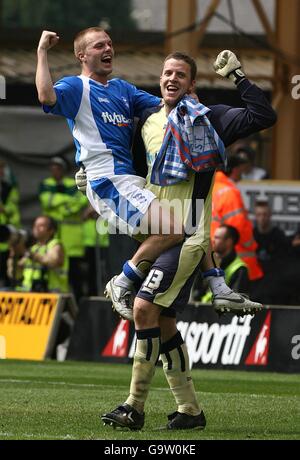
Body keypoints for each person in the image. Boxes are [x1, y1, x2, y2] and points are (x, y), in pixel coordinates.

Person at [100, 50, 276, 431]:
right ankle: (190, 411)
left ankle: (134, 406)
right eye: (167, 73)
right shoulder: (148, 122)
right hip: (156, 234)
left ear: (192, 84)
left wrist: (238, 76)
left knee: (144, 309)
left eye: (181, 74)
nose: (172, 79)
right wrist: (97, 188)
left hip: (188, 237)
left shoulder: (207, 119)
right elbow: (130, 173)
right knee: (162, 322)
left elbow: (265, 115)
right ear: (159, 79)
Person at [36, 28, 186, 315]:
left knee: (178, 236)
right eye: (99, 46)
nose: (108, 49)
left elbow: (164, 106)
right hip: (108, 181)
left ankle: (160, 310)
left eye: (110, 43)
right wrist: (42, 51)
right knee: (173, 230)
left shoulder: (123, 89)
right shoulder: (76, 87)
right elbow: (46, 95)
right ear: (82, 56)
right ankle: (122, 282)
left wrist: (182, 87)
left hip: (132, 181)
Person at [39, 156, 87, 299]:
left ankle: (78, 304)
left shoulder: (73, 183)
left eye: (58, 168)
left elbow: (80, 201)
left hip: (72, 240)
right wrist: (68, 204)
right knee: (51, 272)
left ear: (63, 169)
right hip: (52, 238)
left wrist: (58, 204)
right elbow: (46, 200)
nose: (55, 170)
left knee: (75, 275)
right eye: (52, 168)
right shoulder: (45, 183)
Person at [211, 152, 264, 282]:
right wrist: (252, 245)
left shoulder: (212, 188)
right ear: (234, 170)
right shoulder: (230, 192)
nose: (243, 172)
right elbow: (238, 226)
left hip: (214, 252)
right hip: (237, 257)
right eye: (241, 168)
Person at [7, 215, 69, 293]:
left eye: (41, 226)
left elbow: (53, 262)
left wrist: (26, 253)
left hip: (52, 294)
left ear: (51, 230)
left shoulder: (56, 246)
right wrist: (13, 255)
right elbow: (14, 275)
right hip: (31, 295)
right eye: (35, 225)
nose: (36, 228)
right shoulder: (34, 249)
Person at [201, 225, 249, 303]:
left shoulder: (240, 269)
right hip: (200, 311)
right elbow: (197, 292)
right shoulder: (207, 261)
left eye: (217, 238)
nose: (213, 240)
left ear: (229, 242)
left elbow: (236, 301)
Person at [0, 160, 21, 288]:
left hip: (7, 235)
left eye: (2, 169)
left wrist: (5, 209)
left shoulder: (9, 187)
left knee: (8, 271)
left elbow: (13, 208)